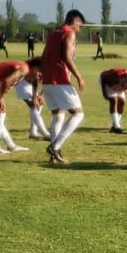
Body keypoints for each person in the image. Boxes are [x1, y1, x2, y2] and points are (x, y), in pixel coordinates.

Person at [41, 10, 87, 164]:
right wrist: (79, 77)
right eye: (79, 25)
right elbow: (67, 57)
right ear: (74, 21)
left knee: (58, 115)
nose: (79, 29)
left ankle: (55, 155)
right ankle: (55, 146)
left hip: (47, 80)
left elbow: (44, 56)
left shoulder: (53, 33)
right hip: (59, 80)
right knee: (78, 114)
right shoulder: (69, 33)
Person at [99, 67, 127, 134]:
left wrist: (124, 89)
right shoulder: (118, 76)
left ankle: (114, 126)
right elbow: (104, 78)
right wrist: (104, 91)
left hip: (119, 86)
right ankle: (117, 127)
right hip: (108, 84)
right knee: (114, 101)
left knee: (122, 102)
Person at [14, 63, 50, 141]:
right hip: (21, 82)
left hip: (30, 82)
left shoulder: (50, 69)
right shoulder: (39, 67)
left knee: (38, 105)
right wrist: (34, 97)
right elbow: (35, 80)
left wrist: (41, 95)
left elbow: (46, 82)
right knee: (33, 105)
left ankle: (33, 132)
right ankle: (45, 133)